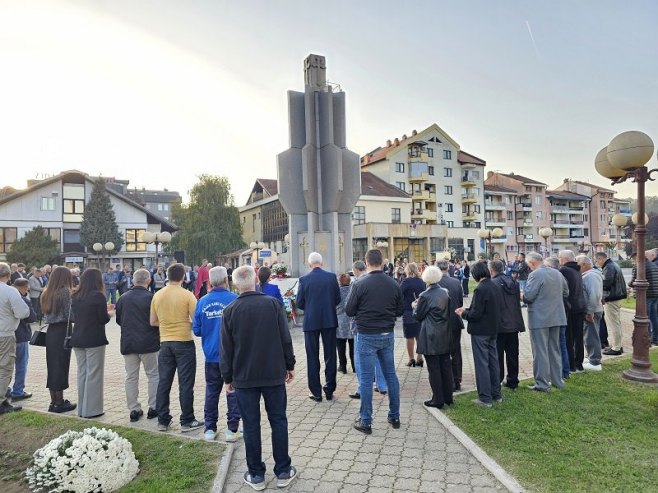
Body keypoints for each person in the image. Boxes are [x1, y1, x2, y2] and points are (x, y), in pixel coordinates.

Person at [220, 265, 297, 490]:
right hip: (273, 373)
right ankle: (283, 471)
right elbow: (286, 337)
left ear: (235, 285)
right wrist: (289, 365)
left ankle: (256, 475)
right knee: (278, 420)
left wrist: (227, 378)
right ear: (255, 280)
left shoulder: (230, 310)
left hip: (244, 377)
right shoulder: (272, 304)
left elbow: (227, 349)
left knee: (251, 425)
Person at [345, 249, 403, 434]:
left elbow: (349, 310)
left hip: (366, 334)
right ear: (383, 262)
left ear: (366, 262)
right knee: (390, 375)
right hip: (387, 333)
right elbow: (400, 310)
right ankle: (394, 415)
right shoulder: (393, 283)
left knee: (366, 379)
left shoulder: (360, 284)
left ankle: (366, 420)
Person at [150, 263, 201, 433]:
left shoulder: (157, 295)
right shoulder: (187, 295)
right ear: (182, 277)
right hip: (184, 341)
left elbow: (152, 321)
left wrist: (166, 324)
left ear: (168, 275)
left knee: (164, 382)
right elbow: (196, 320)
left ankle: (163, 420)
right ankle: (187, 420)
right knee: (185, 383)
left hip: (164, 342)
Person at [193, 266, 242, 442]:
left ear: (210, 282)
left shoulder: (203, 302)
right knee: (233, 391)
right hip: (232, 357)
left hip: (211, 356)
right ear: (226, 280)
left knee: (212, 392)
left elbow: (197, 330)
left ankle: (210, 428)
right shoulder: (235, 300)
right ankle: (232, 429)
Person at [456, 261, 503, 407]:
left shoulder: (480, 289)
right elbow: (484, 308)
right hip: (493, 329)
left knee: (482, 364)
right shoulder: (494, 285)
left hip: (481, 332)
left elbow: (476, 314)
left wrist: (463, 313)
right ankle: (496, 394)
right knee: (493, 361)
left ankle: (485, 398)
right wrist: (467, 310)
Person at [115, 268, 160, 422]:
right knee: (153, 375)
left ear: (133, 281)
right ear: (148, 281)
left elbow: (119, 320)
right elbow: (157, 321)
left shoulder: (123, 298)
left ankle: (134, 409)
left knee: (131, 377)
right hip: (149, 343)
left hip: (129, 343)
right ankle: (154, 408)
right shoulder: (152, 298)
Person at [295, 252, 341, 402]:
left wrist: (310, 308)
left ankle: (316, 392)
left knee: (312, 357)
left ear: (309, 264)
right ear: (321, 263)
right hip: (329, 320)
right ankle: (329, 390)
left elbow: (299, 303)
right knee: (330, 355)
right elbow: (337, 299)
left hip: (311, 322)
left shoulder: (304, 279)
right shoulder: (331, 277)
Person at [522, 252, 568, 392]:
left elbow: (529, 296)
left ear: (532, 263)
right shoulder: (557, 273)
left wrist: (522, 295)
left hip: (540, 318)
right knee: (554, 350)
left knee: (540, 351)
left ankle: (542, 383)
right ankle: (557, 380)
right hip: (557, 316)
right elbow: (566, 293)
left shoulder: (535, 274)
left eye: (529, 264)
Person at [70, 268, 111, 418]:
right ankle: (92, 410)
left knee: (82, 373)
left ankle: (82, 409)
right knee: (94, 373)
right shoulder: (98, 296)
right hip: (94, 339)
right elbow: (102, 319)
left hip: (78, 338)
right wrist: (110, 314)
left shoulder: (75, 296)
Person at [412, 266, 453, 409]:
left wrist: (414, 306)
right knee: (445, 366)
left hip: (430, 335)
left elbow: (418, 316)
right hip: (444, 332)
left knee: (434, 368)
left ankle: (437, 399)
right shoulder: (445, 292)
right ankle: (448, 396)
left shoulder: (425, 295)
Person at [347, 261, 389, 400]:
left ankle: (361, 388)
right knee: (378, 356)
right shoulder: (382, 280)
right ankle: (381, 385)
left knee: (360, 359)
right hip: (381, 326)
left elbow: (350, 308)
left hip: (362, 327)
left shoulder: (357, 283)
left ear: (356, 270)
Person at [40, 266, 77, 413]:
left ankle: (53, 401)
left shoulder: (46, 292)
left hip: (51, 332)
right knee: (61, 366)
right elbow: (70, 315)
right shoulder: (65, 292)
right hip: (63, 330)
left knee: (52, 366)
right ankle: (60, 402)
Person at [489, 260, 525, 390]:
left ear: (491, 270)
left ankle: (497, 380)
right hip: (514, 323)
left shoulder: (492, 284)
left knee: (497, 354)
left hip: (499, 324)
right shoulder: (513, 283)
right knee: (512, 354)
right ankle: (513, 380)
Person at [1, 268, 31, 414]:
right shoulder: (10, 291)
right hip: (5, 333)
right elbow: (23, 312)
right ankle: (1, 402)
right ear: (8, 275)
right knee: (5, 367)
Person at [437, 260, 465, 391]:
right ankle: (457, 380)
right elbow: (460, 302)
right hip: (454, 320)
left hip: (440, 322)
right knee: (456, 352)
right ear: (448, 268)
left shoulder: (434, 284)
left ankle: (446, 380)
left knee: (442, 352)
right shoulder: (456, 282)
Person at [7, 279, 36, 401]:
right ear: (25, 287)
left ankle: (5, 389)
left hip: (6, 335)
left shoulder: (6, 296)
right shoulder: (23, 300)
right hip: (21, 336)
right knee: (21, 365)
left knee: (5, 365)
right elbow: (32, 318)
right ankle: (18, 391)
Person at [558, 250, 587, 373]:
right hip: (580, 306)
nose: (559, 260)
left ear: (564, 259)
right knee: (578, 337)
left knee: (568, 338)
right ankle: (578, 363)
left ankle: (571, 365)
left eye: (559, 258)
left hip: (570, 307)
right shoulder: (576, 269)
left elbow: (563, 290)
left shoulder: (564, 270)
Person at [595, 252, 627, 355]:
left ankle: (616, 348)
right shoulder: (613, 265)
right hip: (616, 297)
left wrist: (598, 283)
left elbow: (606, 283)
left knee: (613, 323)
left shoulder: (609, 267)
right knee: (616, 323)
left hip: (612, 298)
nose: (597, 263)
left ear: (600, 259)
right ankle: (617, 345)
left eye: (597, 260)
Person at [544, 257, 571, 380]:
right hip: (561, 314)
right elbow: (566, 293)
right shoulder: (561, 276)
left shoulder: (555, 276)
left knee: (557, 344)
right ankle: (564, 372)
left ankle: (559, 372)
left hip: (554, 315)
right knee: (561, 343)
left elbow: (566, 293)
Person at [576, 255, 603, 371]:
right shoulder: (590, 275)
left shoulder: (591, 276)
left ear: (584, 264)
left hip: (593, 310)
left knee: (592, 336)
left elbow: (594, 295)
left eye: (578, 264)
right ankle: (592, 357)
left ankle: (595, 362)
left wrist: (590, 311)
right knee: (589, 335)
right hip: (593, 309)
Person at [400, 263, 426, 367]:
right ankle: (420, 358)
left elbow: (399, 293)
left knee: (409, 336)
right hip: (420, 311)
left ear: (408, 270)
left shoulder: (406, 281)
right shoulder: (422, 282)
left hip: (408, 311)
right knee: (419, 335)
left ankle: (411, 359)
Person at [629, 252, 658, 346]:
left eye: (633, 259)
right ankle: (656, 338)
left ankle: (647, 339)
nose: (633, 262)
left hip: (645, 295)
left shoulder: (639, 266)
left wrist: (630, 285)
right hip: (655, 294)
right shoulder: (653, 265)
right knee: (654, 317)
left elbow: (633, 281)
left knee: (645, 318)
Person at [336, 273, 355, 374]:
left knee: (340, 346)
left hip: (340, 323)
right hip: (352, 322)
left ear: (339, 282)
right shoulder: (353, 290)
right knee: (353, 347)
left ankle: (342, 367)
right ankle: (355, 366)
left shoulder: (336, 292)